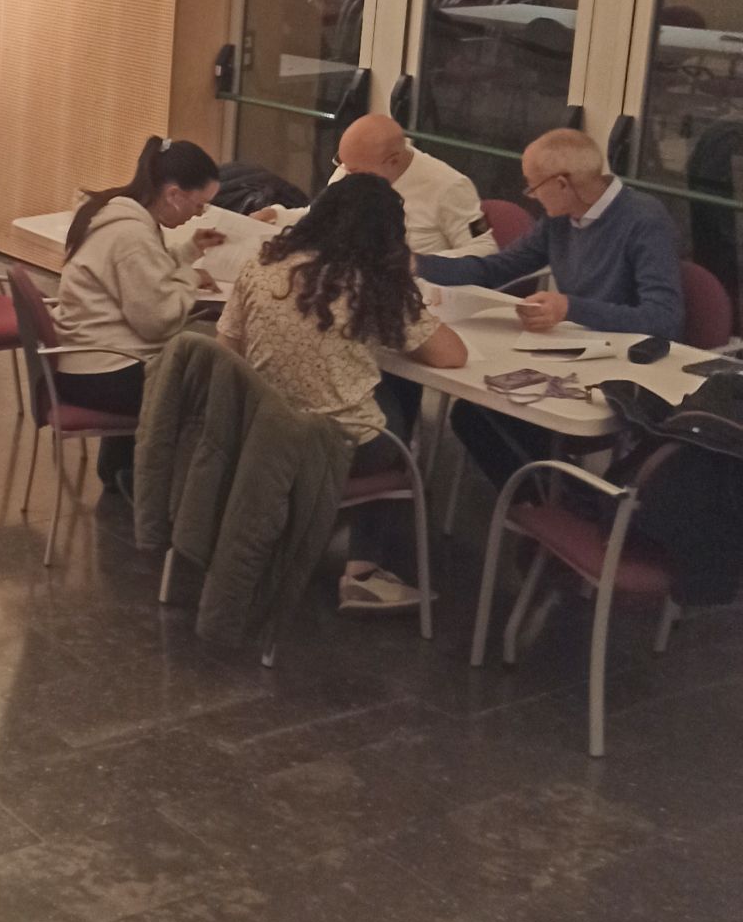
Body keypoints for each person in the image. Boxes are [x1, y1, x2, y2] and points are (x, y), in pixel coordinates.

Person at [218, 173, 467, 613]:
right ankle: (363, 572)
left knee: (375, 386)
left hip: (264, 432)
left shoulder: (262, 262)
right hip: (338, 445)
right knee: (394, 405)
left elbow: (227, 350)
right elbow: (452, 355)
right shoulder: (371, 284)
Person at [418, 126, 686, 491]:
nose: (529, 195)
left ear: (562, 183)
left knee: (485, 415)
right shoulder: (560, 219)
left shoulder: (644, 220)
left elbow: (663, 319)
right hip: (574, 357)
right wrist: (415, 263)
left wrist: (570, 307)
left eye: (533, 185)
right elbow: (496, 269)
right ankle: (546, 501)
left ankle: (564, 501)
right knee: (475, 412)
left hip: (627, 372)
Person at [53, 137, 223, 495]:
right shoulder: (131, 234)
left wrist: (189, 251)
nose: (199, 214)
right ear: (174, 194)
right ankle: (154, 485)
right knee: (216, 388)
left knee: (190, 365)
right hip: (102, 371)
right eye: (199, 205)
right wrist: (191, 280)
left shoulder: (115, 212)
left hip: (85, 361)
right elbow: (158, 320)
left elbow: (145, 273)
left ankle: (120, 465)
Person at [256, 115, 496, 257]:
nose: (346, 173)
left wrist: (419, 263)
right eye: (343, 163)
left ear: (393, 162)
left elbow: (485, 248)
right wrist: (277, 216)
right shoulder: (350, 167)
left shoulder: (448, 187)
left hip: (414, 291)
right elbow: (318, 216)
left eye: (356, 170)